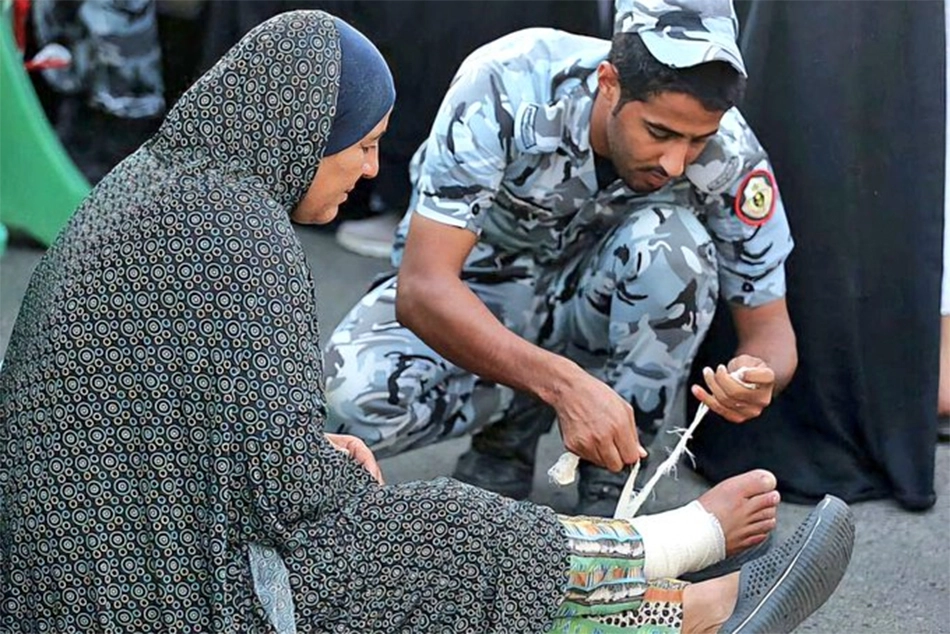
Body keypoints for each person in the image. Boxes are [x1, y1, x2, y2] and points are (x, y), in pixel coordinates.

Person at [0, 11, 853, 633]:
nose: (372, 170)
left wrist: (756, 376)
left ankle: (650, 561)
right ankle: (687, 596)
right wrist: (327, 475)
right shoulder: (237, 236)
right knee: (435, 540)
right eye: (363, 144)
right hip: (140, 592)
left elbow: (174, 410)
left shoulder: (175, 188)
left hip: (89, 571)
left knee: (670, 255)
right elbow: (297, 492)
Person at [324, 0, 797, 516]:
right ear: (609, 82)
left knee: (677, 249)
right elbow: (423, 289)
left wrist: (759, 376)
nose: (675, 162)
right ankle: (509, 431)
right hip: (482, 302)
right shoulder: (506, 83)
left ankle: (616, 470)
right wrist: (561, 385)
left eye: (697, 140)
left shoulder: (731, 156)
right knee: (345, 403)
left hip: (591, 311)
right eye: (659, 133)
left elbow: (771, 334)